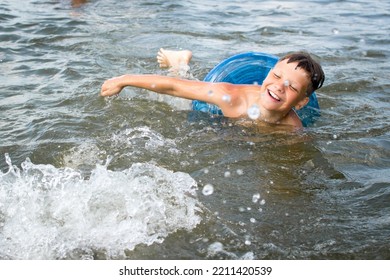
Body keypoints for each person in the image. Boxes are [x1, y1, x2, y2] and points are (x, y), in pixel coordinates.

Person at [100, 48, 325, 128]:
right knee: (187, 101)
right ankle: (179, 63)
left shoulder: (293, 129)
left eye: (292, 87)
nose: (278, 86)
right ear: (267, 74)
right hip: (219, 108)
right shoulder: (232, 97)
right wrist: (124, 79)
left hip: (242, 126)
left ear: (302, 102)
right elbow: (174, 88)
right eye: (276, 75)